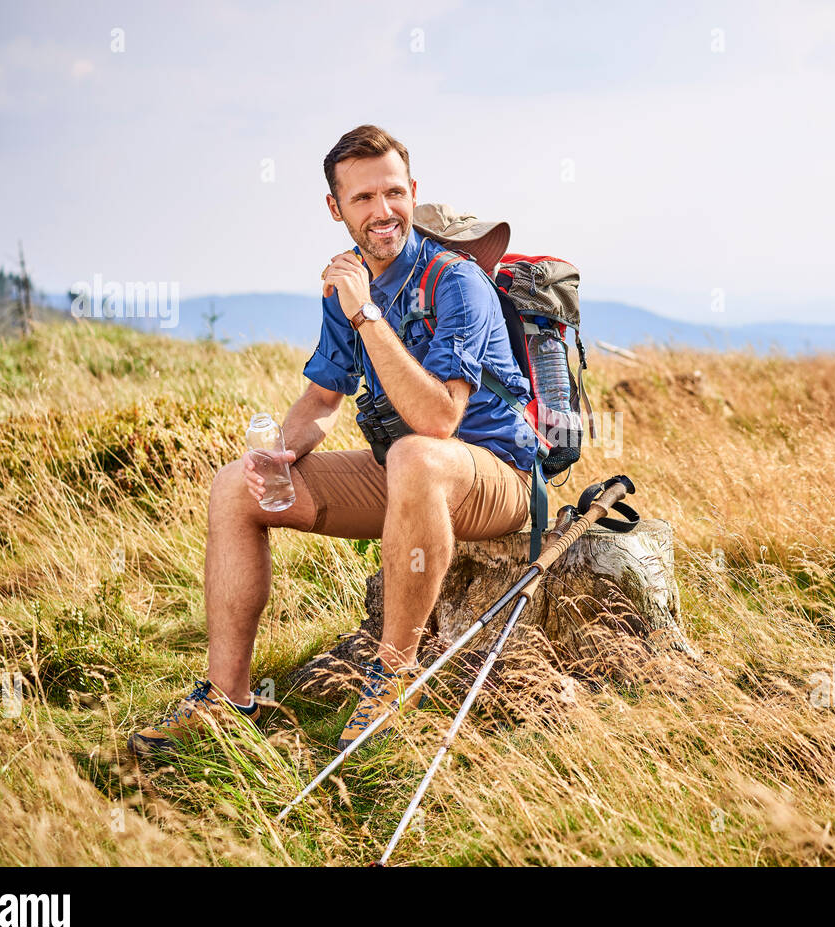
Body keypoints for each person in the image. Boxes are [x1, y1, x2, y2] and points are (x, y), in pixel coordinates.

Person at [128, 125, 536, 756]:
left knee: (414, 454)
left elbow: (439, 421)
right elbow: (322, 400)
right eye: (364, 198)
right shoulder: (347, 283)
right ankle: (227, 700)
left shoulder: (456, 282)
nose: (383, 212)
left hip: (495, 476)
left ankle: (392, 681)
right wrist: (278, 455)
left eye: (395, 193)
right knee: (236, 486)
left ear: (413, 192)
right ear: (335, 208)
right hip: (407, 471)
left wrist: (366, 311)